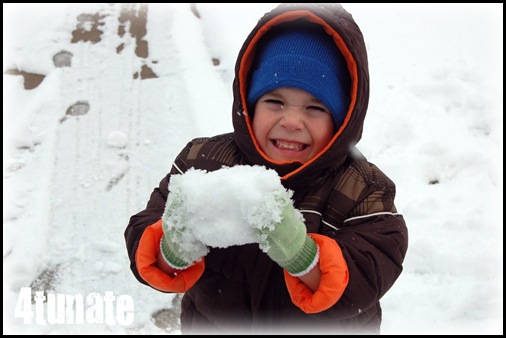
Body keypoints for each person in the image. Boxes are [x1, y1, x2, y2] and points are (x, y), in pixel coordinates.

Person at [125, 3, 408, 334]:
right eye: (275, 102)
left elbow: (369, 273)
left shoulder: (364, 189)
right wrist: (172, 247)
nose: (291, 121)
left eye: (315, 108)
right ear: (249, 102)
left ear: (342, 120)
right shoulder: (201, 161)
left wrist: (303, 256)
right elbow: (146, 243)